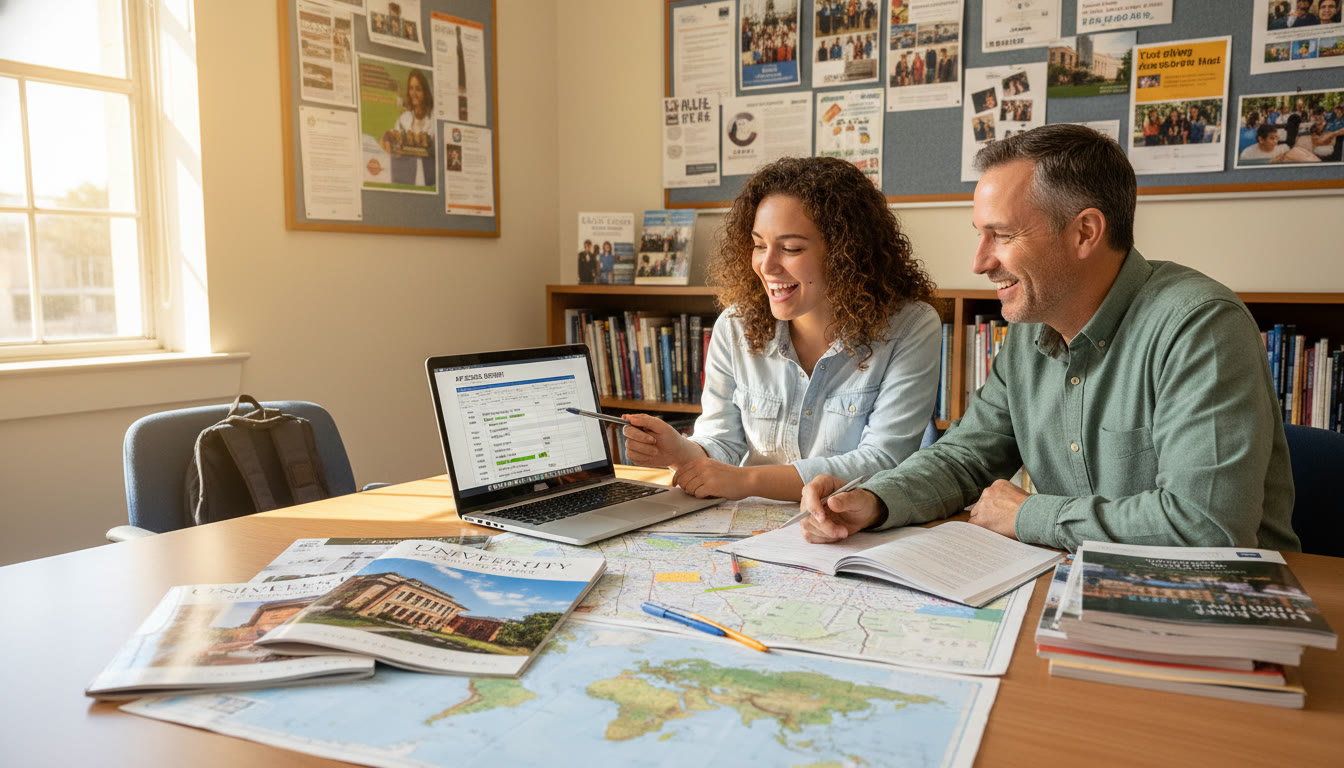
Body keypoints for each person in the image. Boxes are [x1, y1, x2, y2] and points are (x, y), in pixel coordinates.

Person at [797, 124, 1300, 553]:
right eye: (980, 234)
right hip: (1077, 588)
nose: (980, 262)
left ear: (1085, 232)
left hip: (1220, 611)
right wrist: (874, 500)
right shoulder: (1029, 331)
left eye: (1004, 236)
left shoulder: (1200, 326)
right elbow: (964, 457)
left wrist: (1029, 516)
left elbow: (1206, 527)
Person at [621, 157, 942, 503]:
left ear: (846, 254)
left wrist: (747, 481)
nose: (767, 265)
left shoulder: (911, 327)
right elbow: (723, 445)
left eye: (791, 249)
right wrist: (679, 450)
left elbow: (883, 461)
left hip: (848, 529)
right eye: (759, 245)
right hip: (749, 529)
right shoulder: (734, 327)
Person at [381, 69, 435, 187]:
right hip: (406, 180)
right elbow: (394, 149)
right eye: (411, 88)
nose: (413, 93)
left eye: (418, 89)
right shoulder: (403, 119)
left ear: (425, 92)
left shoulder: (435, 119)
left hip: (430, 180)